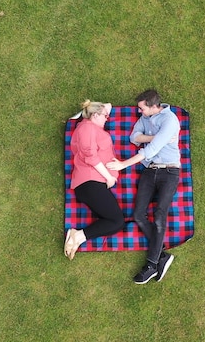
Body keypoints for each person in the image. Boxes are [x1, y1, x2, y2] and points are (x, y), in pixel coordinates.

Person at [107, 89, 180, 284]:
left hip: (169, 172)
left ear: (153, 106)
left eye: (141, 108)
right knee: (139, 215)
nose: (139, 112)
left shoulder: (170, 121)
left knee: (159, 214)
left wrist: (123, 164)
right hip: (149, 171)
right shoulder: (146, 119)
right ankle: (162, 256)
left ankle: (151, 264)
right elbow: (134, 137)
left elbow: (152, 150)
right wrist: (153, 137)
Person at [65, 100, 125, 260]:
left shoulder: (93, 127)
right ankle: (77, 235)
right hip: (90, 182)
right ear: (95, 115)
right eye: (105, 116)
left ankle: (78, 237)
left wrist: (96, 110)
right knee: (117, 221)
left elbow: (109, 105)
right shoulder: (86, 127)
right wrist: (108, 177)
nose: (108, 118)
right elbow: (90, 156)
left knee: (114, 221)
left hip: (94, 183)